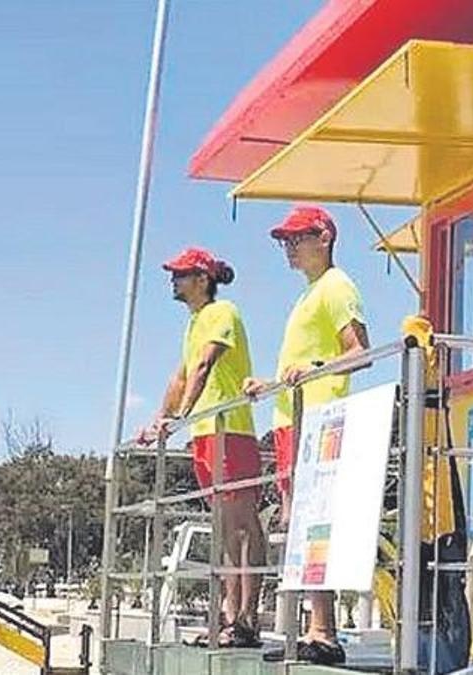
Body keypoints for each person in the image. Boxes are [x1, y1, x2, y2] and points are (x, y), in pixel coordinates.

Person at [244, 205, 369, 665]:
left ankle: (324, 631)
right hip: (292, 418)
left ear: (324, 238)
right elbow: (302, 365)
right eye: (286, 241)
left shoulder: (337, 287)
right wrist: (272, 383)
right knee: (299, 523)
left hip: (316, 418)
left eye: (297, 239)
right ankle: (314, 630)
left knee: (312, 524)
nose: (289, 248)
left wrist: (312, 369)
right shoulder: (310, 294)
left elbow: (359, 353)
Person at [136, 247, 266, 648]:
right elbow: (181, 376)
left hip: (232, 431)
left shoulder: (221, 313)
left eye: (181, 274)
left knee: (243, 523)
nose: (173, 281)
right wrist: (161, 420)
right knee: (225, 527)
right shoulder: (194, 323)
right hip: (207, 434)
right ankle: (229, 617)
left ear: (203, 279)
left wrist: (181, 415)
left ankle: (246, 618)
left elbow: (206, 365)